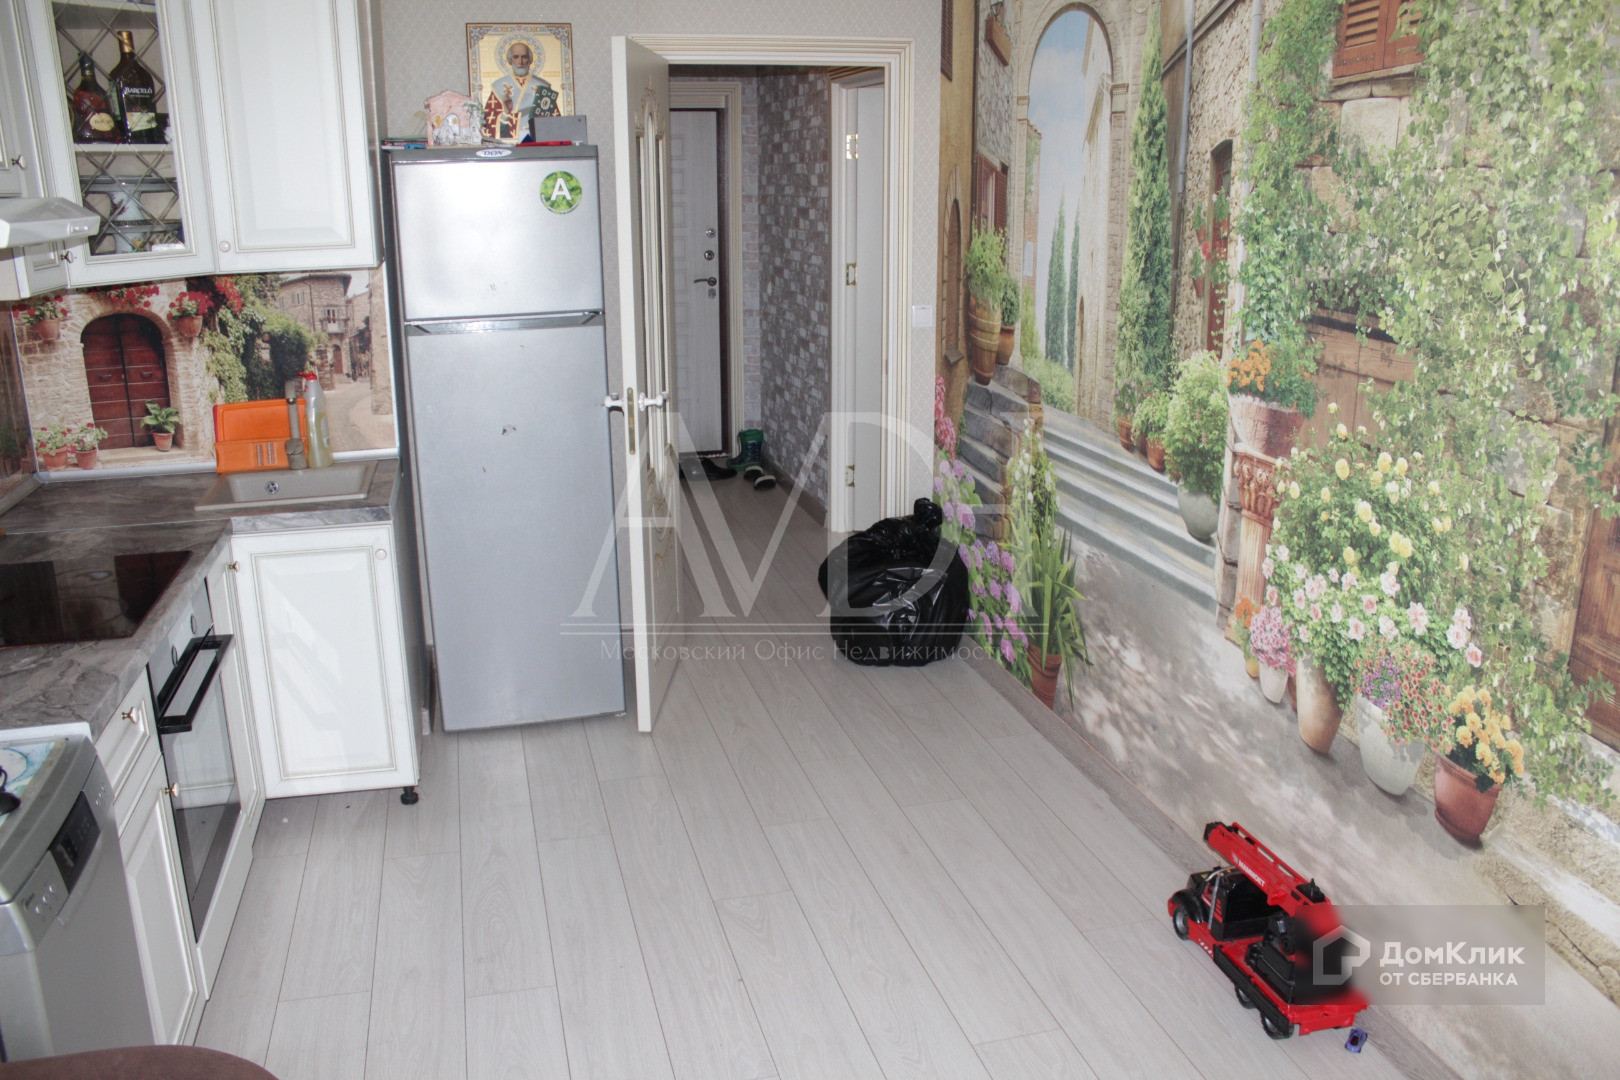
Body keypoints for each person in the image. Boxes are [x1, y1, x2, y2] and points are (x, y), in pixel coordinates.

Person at [484, 38, 560, 140]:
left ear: (530, 60)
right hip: (510, 143)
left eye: (524, 57)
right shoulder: (498, 86)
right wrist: (506, 113)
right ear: (510, 60)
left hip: (536, 141)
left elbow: (555, 121)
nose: (520, 62)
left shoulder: (543, 87)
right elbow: (489, 123)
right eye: (516, 57)